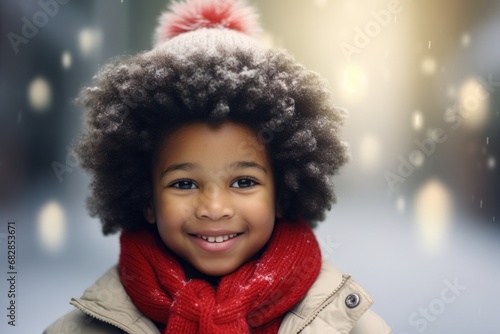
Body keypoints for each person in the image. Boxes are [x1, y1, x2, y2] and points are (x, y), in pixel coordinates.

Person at [44, 0, 392, 332]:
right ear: (146, 197)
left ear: (283, 194)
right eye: (184, 184)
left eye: (243, 182)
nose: (214, 208)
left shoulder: (351, 328)